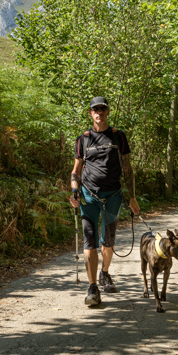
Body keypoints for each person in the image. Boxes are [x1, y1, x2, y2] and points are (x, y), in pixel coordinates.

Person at [69, 96, 140, 306]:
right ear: (90, 113)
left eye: (102, 109)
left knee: (108, 241)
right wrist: (75, 191)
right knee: (89, 240)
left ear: (108, 112)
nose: (99, 112)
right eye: (95, 109)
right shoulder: (83, 139)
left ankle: (105, 273)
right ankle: (92, 288)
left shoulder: (119, 137)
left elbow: (128, 169)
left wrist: (133, 197)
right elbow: (76, 170)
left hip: (113, 196)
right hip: (89, 196)